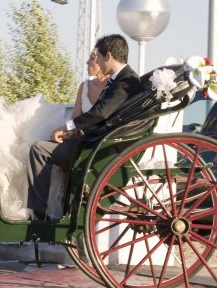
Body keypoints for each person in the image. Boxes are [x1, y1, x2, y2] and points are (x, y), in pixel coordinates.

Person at [26, 33, 142, 220]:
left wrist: (68, 126)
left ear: (109, 56)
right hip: (93, 139)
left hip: (95, 147)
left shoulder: (126, 82)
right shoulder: (123, 80)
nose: (100, 64)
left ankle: (38, 214)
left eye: (99, 58)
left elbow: (101, 112)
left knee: (39, 150)